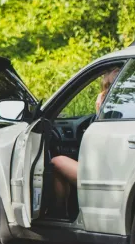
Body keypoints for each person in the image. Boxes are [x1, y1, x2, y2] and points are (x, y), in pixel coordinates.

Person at [51, 68, 120, 213]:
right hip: (113, 172)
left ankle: (59, 213)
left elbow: (102, 140)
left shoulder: (111, 108)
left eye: (108, 87)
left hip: (103, 176)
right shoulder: (129, 105)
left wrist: (99, 113)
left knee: (57, 161)